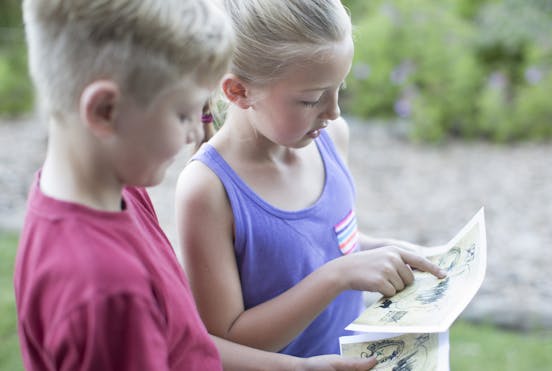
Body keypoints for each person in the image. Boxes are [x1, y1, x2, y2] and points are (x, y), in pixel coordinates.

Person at [14, 0, 376, 370]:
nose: (198, 130)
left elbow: (183, 341)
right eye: (184, 113)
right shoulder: (106, 292)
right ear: (105, 111)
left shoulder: (115, 194)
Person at [175, 0, 449, 360]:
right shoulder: (208, 190)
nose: (334, 111)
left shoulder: (332, 137)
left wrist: (386, 252)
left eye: (340, 87)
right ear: (238, 92)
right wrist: (338, 277)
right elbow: (225, 342)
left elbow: (330, 242)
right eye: (311, 99)